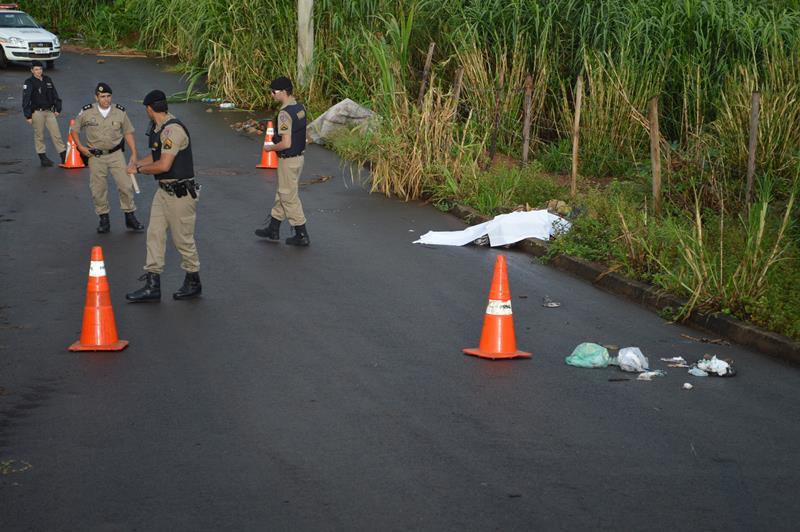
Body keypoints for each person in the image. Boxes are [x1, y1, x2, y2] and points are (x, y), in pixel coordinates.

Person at [125, 89, 202, 302]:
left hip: (180, 194)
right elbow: (157, 155)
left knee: (183, 240)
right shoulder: (161, 127)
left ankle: (193, 280)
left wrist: (139, 171)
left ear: (149, 109)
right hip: (164, 192)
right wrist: (138, 162)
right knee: (154, 235)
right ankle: (152, 283)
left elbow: (164, 164)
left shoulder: (172, 131)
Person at [70, 82, 144, 233]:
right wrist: (80, 147)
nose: (106, 99)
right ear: (96, 97)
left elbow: (128, 132)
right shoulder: (86, 112)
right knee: (98, 189)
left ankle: (130, 217)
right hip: (95, 156)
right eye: (102, 96)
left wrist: (134, 153)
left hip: (116, 154)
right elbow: (74, 129)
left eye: (108, 96)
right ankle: (104, 219)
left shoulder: (120, 112)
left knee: (125, 185)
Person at [254, 76, 310, 246]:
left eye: (274, 92)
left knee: (288, 197)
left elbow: (286, 143)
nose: (272, 95)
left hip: (288, 159)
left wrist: (270, 148)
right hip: (299, 158)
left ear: (284, 92)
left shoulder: (284, 114)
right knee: (283, 192)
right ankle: (273, 228)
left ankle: (301, 233)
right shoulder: (300, 108)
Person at [22, 60, 66, 167]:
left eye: (40, 69)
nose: (39, 71)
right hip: (37, 113)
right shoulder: (29, 82)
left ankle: (64, 156)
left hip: (49, 112)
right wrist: (28, 115)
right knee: (39, 136)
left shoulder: (47, 80)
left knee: (56, 134)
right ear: (32, 70)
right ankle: (43, 158)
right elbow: (26, 99)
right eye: (36, 69)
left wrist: (57, 108)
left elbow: (55, 94)